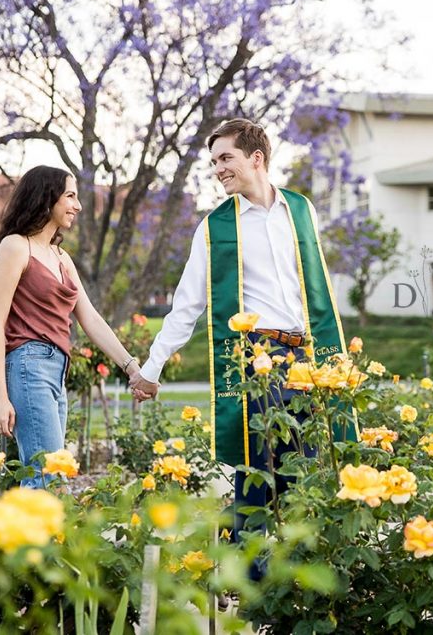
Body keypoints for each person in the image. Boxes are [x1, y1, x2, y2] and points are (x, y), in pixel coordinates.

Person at [129, 119, 354, 538]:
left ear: (256, 158)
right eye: (214, 161)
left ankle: (289, 585)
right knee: (255, 476)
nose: (218, 169)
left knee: (302, 474)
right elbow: (187, 305)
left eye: (225, 158)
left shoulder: (301, 211)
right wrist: (151, 367)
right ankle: (248, 581)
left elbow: (316, 286)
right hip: (256, 362)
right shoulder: (215, 228)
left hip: (308, 360)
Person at [0, 165, 146, 488]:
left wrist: (131, 367)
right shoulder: (16, 247)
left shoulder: (61, 258)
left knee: (50, 475)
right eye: (70, 196)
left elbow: (90, 319)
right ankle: (35, 539)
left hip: (57, 372)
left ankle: (31, 537)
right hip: (28, 367)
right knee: (47, 478)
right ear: (48, 199)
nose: (78, 206)